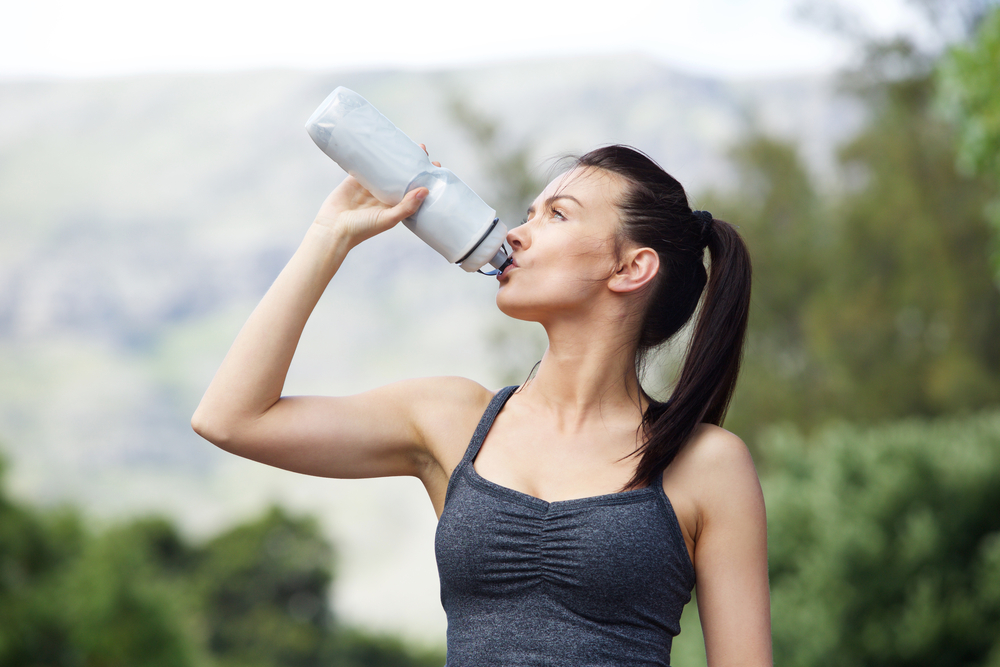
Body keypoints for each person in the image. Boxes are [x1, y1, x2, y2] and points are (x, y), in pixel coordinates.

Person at [192, 144, 772, 667]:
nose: (517, 233)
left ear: (630, 267)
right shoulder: (451, 418)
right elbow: (231, 418)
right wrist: (330, 235)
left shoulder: (706, 464)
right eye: (529, 213)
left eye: (557, 214)